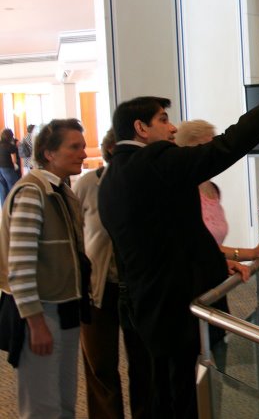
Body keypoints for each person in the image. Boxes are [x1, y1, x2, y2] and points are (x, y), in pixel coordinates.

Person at [97, 38, 259, 419]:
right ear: (140, 128)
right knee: (181, 396)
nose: (173, 129)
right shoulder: (155, 161)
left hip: (141, 305)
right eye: (164, 120)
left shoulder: (111, 176)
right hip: (175, 306)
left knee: (153, 393)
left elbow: (173, 231)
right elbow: (227, 146)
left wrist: (219, 262)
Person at [0, 119, 89, 418]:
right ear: (49, 153)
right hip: (40, 313)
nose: (83, 154)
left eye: (83, 146)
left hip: (65, 308)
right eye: (74, 147)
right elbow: (20, 264)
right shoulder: (32, 192)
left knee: (63, 402)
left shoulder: (61, 191)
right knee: (42, 406)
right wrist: (35, 323)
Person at [75, 128, 151, 419]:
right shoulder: (86, 185)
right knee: (100, 367)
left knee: (144, 365)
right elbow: (78, 232)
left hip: (137, 288)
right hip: (99, 287)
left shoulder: (148, 186)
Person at [175, 119, 259, 270]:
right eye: (206, 147)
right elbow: (199, 247)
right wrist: (252, 253)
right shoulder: (183, 193)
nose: (213, 154)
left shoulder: (213, 190)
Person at [0, 128, 21, 204]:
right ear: (10, 136)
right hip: (8, 168)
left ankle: (4, 207)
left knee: (2, 189)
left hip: (0, 169)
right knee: (13, 186)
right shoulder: (10, 146)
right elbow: (14, 160)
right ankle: (13, 205)